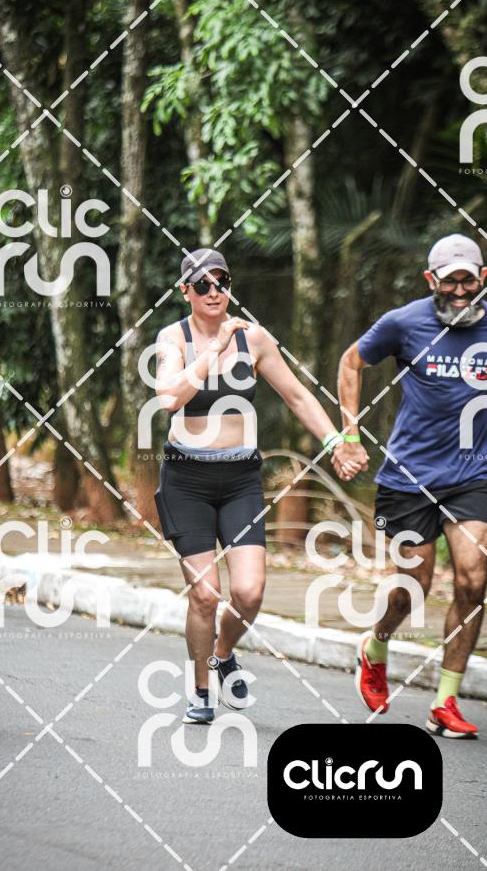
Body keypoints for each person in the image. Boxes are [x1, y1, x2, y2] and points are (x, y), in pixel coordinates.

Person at [155, 249, 362, 723]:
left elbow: (296, 395)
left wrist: (335, 441)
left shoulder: (255, 339)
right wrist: (213, 349)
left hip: (240, 479)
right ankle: (201, 691)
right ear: (185, 291)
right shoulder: (173, 338)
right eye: (202, 284)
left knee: (249, 593)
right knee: (205, 594)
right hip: (186, 480)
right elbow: (169, 398)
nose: (214, 292)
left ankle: (222, 653)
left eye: (222, 282)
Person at [338, 233, 487, 738]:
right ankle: (376, 646)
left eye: (468, 280)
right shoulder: (404, 322)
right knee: (413, 587)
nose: (460, 290)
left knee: (473, 580)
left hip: (473, 474)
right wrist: (350, 434)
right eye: (450, 281)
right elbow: (351, 362)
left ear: (483, 278)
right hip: (408, 477)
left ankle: (445, 701)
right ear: (431, 279)